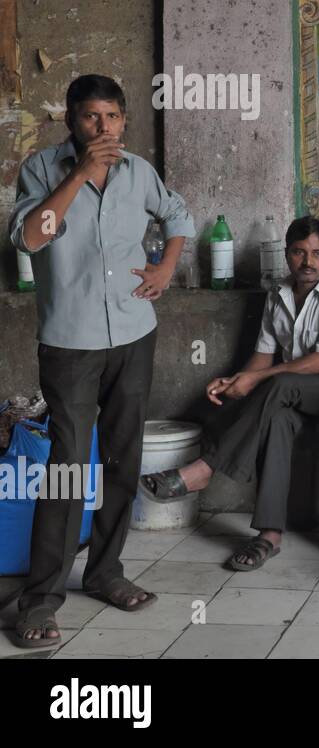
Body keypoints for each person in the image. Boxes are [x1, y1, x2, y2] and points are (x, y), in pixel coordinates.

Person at [6, 74, 195, 648]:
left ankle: (106, 572)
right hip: (71, 343)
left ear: (124, 120)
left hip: (134, 334)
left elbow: (179, 215)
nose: (103, 128)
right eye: (91, 117)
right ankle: (40, 600)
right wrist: (81, 175)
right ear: (71, 121)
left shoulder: (140, 171)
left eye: (112, 117)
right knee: (68, 465)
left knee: (122, 457)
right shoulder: (41, 169)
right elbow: (30, 239)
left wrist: (166, 265)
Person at [140, 217, 319, 571]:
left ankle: (205, 468)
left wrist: (258, 380)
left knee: (279, 384)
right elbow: (263, 354)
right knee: (277, 420)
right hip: (287, 394)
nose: (309, 261)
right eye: (299, 252)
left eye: (317, 253)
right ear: (287, 254)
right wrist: (235, 380)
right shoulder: (279, 292)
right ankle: (269, 535)